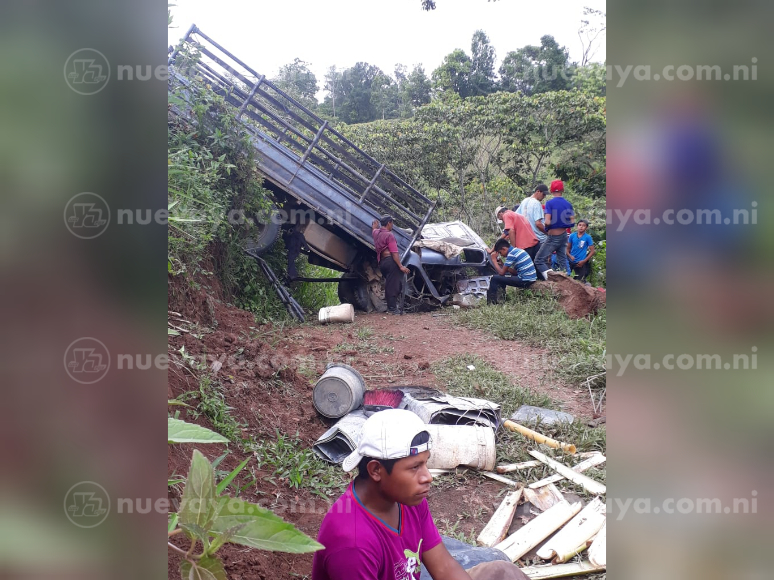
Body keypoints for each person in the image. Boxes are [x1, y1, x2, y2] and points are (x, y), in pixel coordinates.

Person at [312, 409, 529, 580]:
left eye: (426, 463)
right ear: (376, 470)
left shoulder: (408, 499)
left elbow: (443, 568)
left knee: (503, 573)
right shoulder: (353, 543)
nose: (427, 477)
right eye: (415, 467)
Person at [534, 180, 574, 278]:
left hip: (553, 236)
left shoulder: (549, 203)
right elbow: (572, 222)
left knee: (539, 260)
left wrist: (549, 227)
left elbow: (547, 222)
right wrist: (562, 222)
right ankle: (568, 280)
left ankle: (552, 280)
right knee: (562, 261)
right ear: (563, 190)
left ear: (551, 191)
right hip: (564, 235)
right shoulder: (568, 204)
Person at [372, 215, 410, 315]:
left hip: (382, 263)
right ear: (389, 223)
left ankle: (392, 307)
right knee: (393, 285)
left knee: (389, 284)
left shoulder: (377, 233)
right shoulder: (389, 235)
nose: (392, 225)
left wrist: (375, 227)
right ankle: (392, 309)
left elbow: (374, 230)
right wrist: (401, 266)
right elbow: (394, 252)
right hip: (390, 262)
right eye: (392, 223)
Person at [485, 238, 537, 305]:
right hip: (530, 278)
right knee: (502, 277)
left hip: (524, 280)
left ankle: (491, 303)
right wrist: (503, 265)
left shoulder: (511, 255)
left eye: (500, 252)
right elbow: (515, 272)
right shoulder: (517, 250)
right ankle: (502, 299)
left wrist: (494, 260)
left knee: (494, 278)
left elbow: (501, 273)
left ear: (504, 249)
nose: (501, 255)